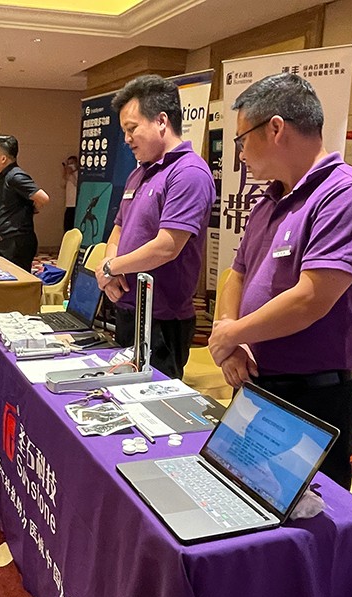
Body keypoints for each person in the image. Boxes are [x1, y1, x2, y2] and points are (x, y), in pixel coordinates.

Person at [207, 73, 352, 490]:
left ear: (275, 128)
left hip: (312, 399)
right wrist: (230, 339)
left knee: (309, 519)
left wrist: (233, 333)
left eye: (241, 139)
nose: (240, 153)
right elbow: (237, 274)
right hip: (254, 383)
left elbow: (311, 299)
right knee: (238, 501)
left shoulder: (349, 195)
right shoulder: (269, 200)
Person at [94, 74, 215, 379]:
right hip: (127, 306)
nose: (126, 139)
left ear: (161, 121)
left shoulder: (189, 172)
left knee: (151, 399)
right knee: (119, 392)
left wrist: (110, 268)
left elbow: (167, 246)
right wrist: (110, 271)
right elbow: (119, 229)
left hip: (161, 318)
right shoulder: (139, 173)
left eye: (132, 128)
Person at [0, 134, 50, 271]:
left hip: (18, 241)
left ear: (3, 159)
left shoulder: (16, 176)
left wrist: (33, 209)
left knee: (17, 280)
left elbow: (43, 198)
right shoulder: (1, 177)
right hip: (6, 240)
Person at [62, 154, 79, 231]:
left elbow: (77, 184)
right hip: (68, 204)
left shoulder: (78, 174)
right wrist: (65, 173)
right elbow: (62, 185)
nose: (70, 165)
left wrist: (71, 174)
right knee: (67, 226)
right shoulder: (67, 175)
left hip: (75, 205)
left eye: (72, 163)